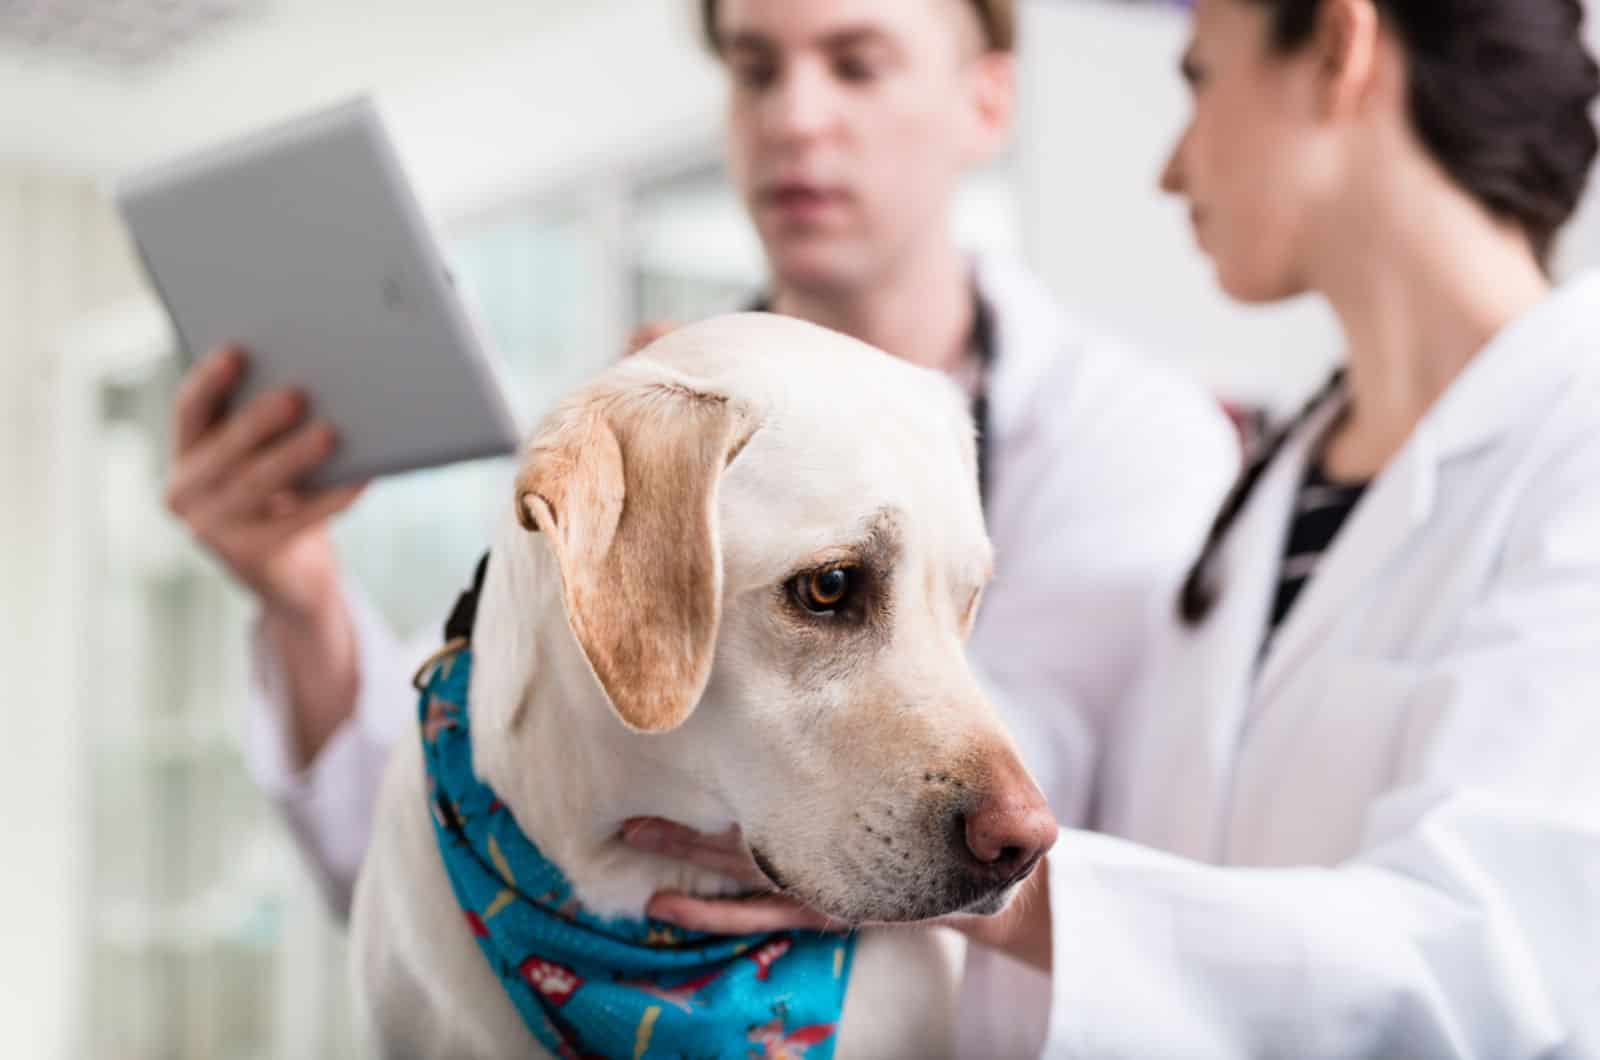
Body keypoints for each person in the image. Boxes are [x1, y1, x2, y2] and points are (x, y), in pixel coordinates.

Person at [632, 0, 1600, 1055]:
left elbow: (1491, 955)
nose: (1171, 169)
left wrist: (968, 877)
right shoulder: (1287, 473)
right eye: (756, 71)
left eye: (1197, 75)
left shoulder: (1568, 445)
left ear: (1335, 45)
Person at [161, 0, 1235, 938]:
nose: (794, 117)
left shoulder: (1131, 434)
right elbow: (432, 846)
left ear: (986, 104)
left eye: (856, 63)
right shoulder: (631, 444)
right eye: (755, 67)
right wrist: (301, 596)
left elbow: (1017, 808)